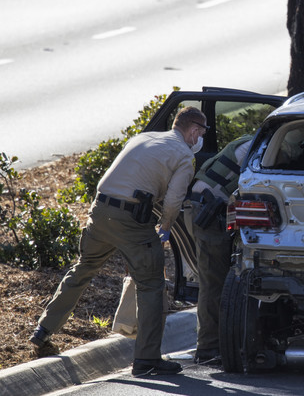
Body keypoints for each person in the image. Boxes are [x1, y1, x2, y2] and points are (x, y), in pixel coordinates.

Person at [29, 106, 208, 376]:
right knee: (151, 284)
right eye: (201, 133)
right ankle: (147, 360)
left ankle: (43, 330)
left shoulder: (142, 138)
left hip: (99, 212)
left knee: (83, 268)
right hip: (132, 220)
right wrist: (166, 226)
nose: (200, 139)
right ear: (194, 130)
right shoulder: (183, 155)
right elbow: (173, 201)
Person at [187, 134, 253, 366]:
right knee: (214, 281)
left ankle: (224, 343)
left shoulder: (250, 140)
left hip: (208, 206)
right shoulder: (265, 145)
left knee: (219, 278)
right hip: (209, 211)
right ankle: (208, 348)